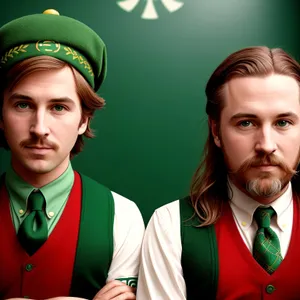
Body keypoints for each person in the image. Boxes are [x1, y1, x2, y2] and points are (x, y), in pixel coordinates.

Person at [0, 9, 144, 300]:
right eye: (23, 105)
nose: (39, 128)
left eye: (58, 107)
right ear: (0, 116)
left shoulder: (122, 216)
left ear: (84, 121)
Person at [137, 46, 300, 299]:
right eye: (246, 123)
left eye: (283, 123)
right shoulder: (170, 227)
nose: (266, 144)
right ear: (216, 131)